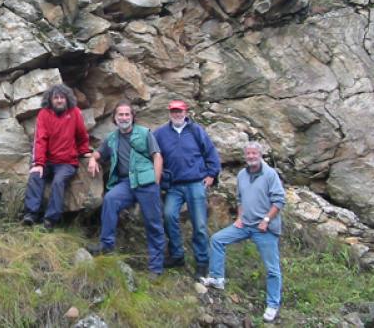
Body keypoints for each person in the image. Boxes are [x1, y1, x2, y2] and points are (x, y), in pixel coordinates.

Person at [200, 142, 285, 323]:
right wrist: (240, 217)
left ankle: (273, 304)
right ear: (245, 156)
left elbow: (279, 201)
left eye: (254, 153)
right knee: (217, 239)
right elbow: (240, 198)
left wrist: (266, 220)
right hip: (245, 224)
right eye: (248, 154)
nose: (251, 156)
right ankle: (217, 278)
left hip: (265, 228)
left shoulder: (270, 174)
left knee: (272, 269)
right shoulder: (242, 175)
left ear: (260, 155)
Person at [85, 101, 166, 277]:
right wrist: (93, 159)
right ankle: (106, 246)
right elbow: (99, 153)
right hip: (126, 183)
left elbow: (157, 156)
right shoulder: (112, 138)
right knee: (110, 199)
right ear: (115, 118)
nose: (123, 118)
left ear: (132, 117)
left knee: (153, 223)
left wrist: (156, 181)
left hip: (146, 182)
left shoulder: (144, 133)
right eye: (120, 115)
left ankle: (156, 267)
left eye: (127, 114)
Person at [154, 99, 221, 279]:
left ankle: (202, 262)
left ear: (186, 112)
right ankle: (177, 255)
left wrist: (212, 174)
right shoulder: (160, 133)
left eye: (180, 111)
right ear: (169, 113)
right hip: (174, 185)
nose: (177, 114)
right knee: (168, 216)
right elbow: (153, 155)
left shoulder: (196, 130)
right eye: (174, 111)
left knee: (199, 224)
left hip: (195, 183)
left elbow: (211, 153)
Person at [22, 84, 91, 230]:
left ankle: (50, 220)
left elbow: (82, 135)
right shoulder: (44, 114)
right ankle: (30, 214)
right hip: (47, 161)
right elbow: (40, 140)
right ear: (50, 100)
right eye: (56, 98)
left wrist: (84, 151)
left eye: (62, 97)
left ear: (67, 99)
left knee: (58, 181)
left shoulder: (75, 112)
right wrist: (39, 163)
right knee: (35, 175)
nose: (59, 100)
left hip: (67, 162)